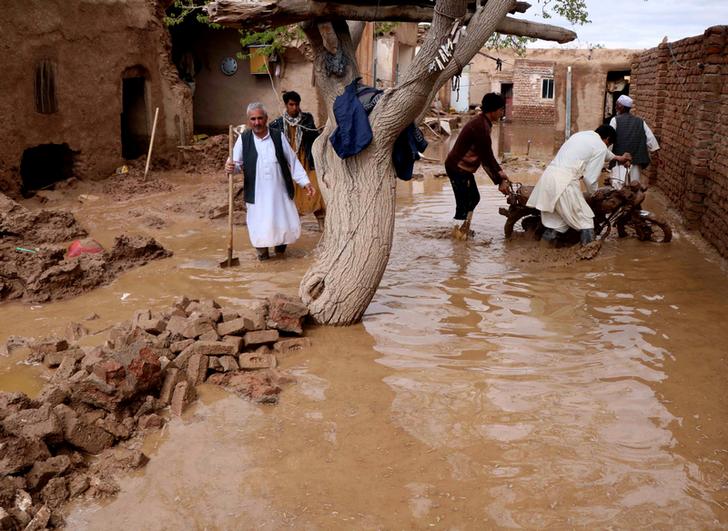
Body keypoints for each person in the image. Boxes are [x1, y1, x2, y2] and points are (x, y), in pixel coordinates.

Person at [225, 102, 315, 261]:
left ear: (266, 118)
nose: (257, 122)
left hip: (279, 193)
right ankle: (263, 256)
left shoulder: (277, 136)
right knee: (260, 226)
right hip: (257, 194)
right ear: (248, 121)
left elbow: (292, 161)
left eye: (260, 118)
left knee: (282, 226)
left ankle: (281, 256)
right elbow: (235, 165)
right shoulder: (243, 139)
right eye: (253, 119)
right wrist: (230, 167)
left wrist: (305, 182)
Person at [526, 125, 632, 245]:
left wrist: (618, 158)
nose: (606, 147)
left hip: (548, 179)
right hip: (565, 183)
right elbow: (590, 178)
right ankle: (586, 257)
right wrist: (595, 193)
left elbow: (602, 151)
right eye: (608, 144)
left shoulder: (581, 136)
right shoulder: (600, 146)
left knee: (557, 224)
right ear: (607, 139)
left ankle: (541, 252)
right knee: (586, 221)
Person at [445, 92, 510, 239]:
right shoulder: (480, 127)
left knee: (473, 197)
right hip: (457, 168)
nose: (502, 113)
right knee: (463, 203)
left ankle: (464, 229)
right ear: (493, 111)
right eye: (501, 110)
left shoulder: (484, 123)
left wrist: (500, 174)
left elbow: (487, 156)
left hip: (462, 169)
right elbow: (486, 158)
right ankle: (457, 236)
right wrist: (499, 180)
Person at [269, 91, 326, 230]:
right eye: (291, 104)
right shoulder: (277, 124)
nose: (294, 107)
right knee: (290, 194)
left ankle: (321, 226)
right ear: (286, 105)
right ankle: (291, 228)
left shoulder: (307, 120)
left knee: (315, 191)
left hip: (306, 160)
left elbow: (314, 138)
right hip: (288, 164)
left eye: (296, 104)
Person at [609, 94, 660, 189]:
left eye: (617, 104)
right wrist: (654, 151)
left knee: (618, 186)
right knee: (634, 185)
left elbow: (610, 139)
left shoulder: (615, 120)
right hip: (636, 159)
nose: (615, 107)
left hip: (620, 159)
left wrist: (608, 155)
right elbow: (650, 138)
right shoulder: (640, 121)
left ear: (622, 107)